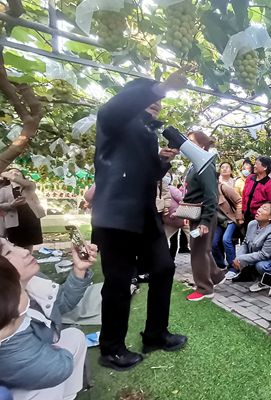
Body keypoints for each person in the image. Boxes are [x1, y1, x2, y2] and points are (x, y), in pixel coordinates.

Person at [92, 72, 188, 371]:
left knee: (164, 267)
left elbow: (148, 175)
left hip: (145, 213)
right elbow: (114, 107)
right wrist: (161, 87)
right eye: (151, 96)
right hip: (116, 215)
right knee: (119, 281)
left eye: (159, 98)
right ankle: (111, 349)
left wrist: (163, 160)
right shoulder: (114, 120)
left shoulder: (147, 132)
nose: (158, 101)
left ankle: (155, 334)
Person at [0, 238, 98, 400]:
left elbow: (60, 304)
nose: (24, 251)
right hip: (20, 380)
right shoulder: (7, 323)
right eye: (8, 252)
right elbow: (54, 368)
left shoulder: (31, 282)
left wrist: (79, 270)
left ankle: (68, 396)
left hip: (39, 358)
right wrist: (54, 350)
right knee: (43, 387)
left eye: (14, 244)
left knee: (74, 336)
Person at [183, 131, 226, 301]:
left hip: (203, 215)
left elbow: (211, 196)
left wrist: (205, 222)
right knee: (201, 248)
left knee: (199, 251)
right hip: (197, 214)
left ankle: (204, 288)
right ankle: (217, 276)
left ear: (201, 145)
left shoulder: (204, 164)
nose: (186, 145)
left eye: (191, 141)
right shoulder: (196, 164)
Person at [232, 202, 271, 290]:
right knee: (245, 261)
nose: (259, 210)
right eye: (260, 207)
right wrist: (238, 257)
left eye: (264, 209)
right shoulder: (252, 224)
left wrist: (241, 259)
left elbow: (264, 255)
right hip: (263, 259)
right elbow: (245, 243)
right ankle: (254, 276)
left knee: (261, 265)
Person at [0, 169, 45, 251]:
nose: (14, 173)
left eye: (17, 171)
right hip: (14, 220)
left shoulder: (29, 185)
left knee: (29, 244)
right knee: (16, 244)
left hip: (30, 218)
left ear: (22, 175)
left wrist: (8, 175)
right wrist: (12, 204)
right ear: (7, 178)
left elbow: (26, 183)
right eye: (11, 172)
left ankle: (28, 258)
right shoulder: (3, 190)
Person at [213, 178, 243, 277]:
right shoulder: (206, 191)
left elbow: (239, 200)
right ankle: (220, 265)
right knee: (213, 243)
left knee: (226, 239)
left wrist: (239, 217)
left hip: (231, 219)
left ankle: (233, 268)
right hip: (219, 222)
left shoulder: (223, 188)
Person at [241, 156, 271, 228]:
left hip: (259, 221)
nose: (254, 166)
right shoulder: (250, 178)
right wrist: (242, 211)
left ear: (265, 167)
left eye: (257, 164)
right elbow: (244, 196)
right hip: (245, 217)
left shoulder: (270, 186)